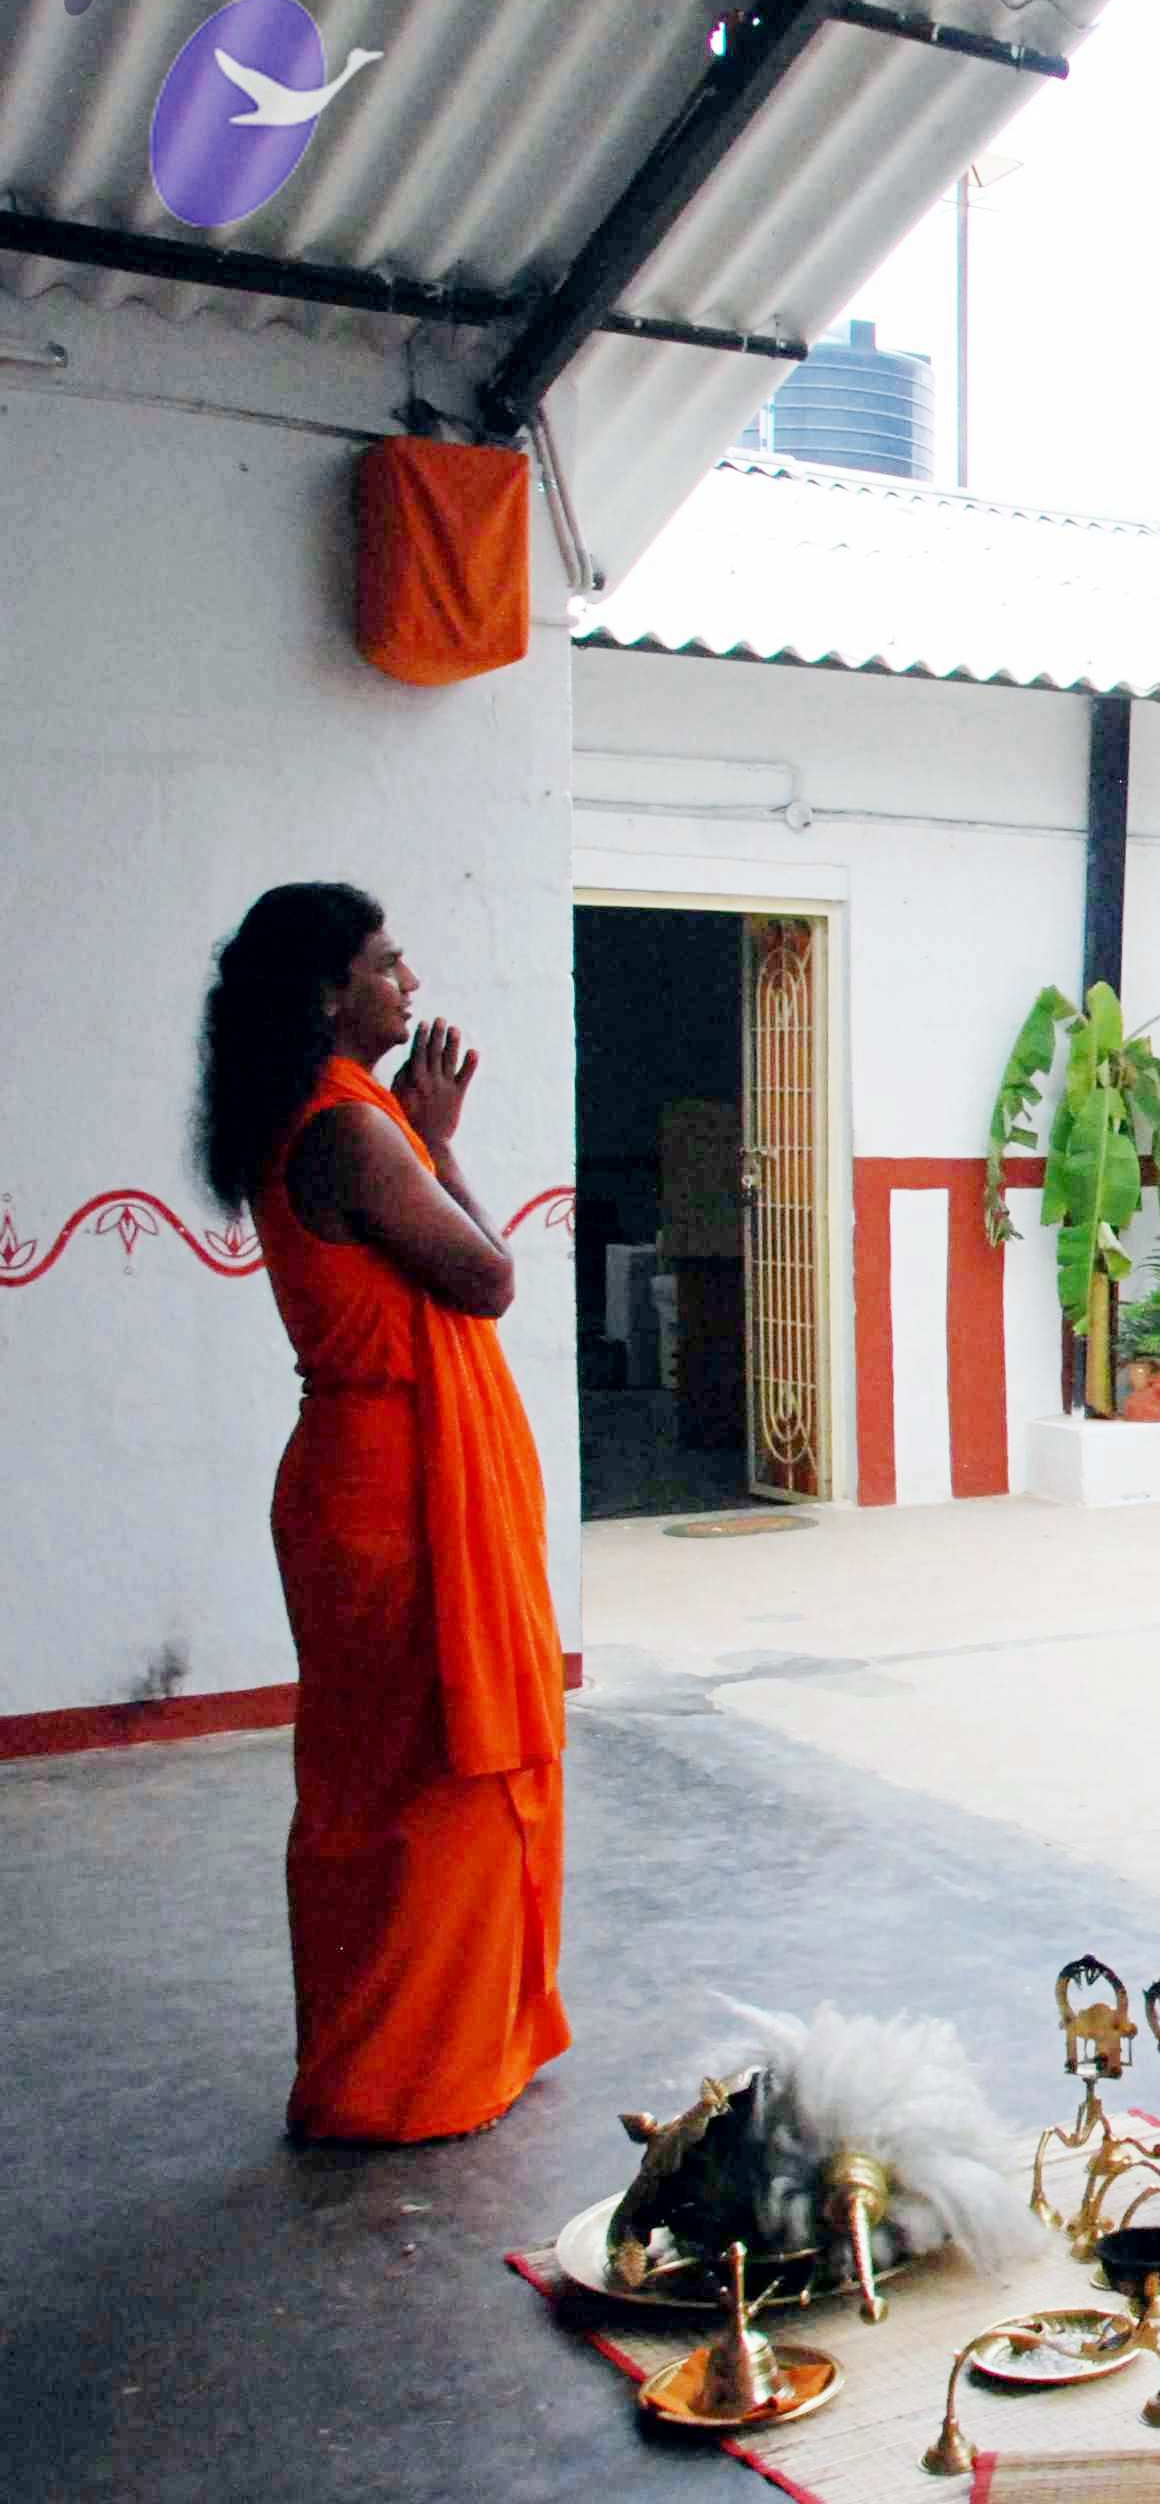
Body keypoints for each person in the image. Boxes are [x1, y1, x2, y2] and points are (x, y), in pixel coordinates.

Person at [197, 883, 566, 2143]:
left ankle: (425, 2050)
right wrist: (439, 1137)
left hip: (363, 1473)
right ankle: (401, 2075)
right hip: (392, 1491)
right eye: (387, 964)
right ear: (327, 993)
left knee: (374, 1776)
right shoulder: (354, 1130)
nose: (410, 984)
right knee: (432, 1773)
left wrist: (417, 1127)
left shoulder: (326, 1114)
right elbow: (488, 1278)